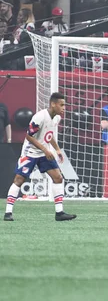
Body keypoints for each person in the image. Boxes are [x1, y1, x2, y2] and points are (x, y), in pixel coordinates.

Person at [4, 92, 76, 222]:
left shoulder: (57, 118)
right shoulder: (39, 117)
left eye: (64, 105)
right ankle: (8, 212)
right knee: (19, 180)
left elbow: (49, 134)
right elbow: (28, 136)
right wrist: (45, 149)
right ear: (53, 104)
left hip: (43, 153)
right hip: (30, 152)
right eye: (62, 105)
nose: (64, 108)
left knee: (58, 177)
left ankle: (59, 212)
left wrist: (57, 149)